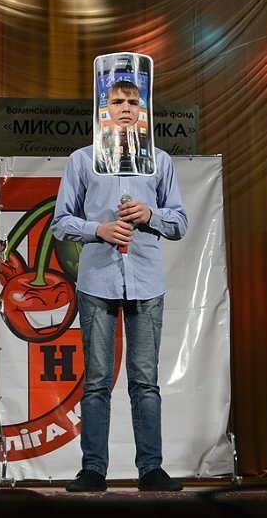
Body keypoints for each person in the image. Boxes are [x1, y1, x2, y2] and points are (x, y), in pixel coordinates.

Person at [51, 79, 188, 492]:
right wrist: (99, 230)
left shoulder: (160, 160)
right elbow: (61, 222)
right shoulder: (81, 160)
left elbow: (179, 223)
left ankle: (151, 469)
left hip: (146, 282)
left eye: (132, 101)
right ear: (103, 108)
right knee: (96, 381)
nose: (125, 107)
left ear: (143, 109)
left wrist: (150, 214)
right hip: (97, 282)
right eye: (117, 101)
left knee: (145, 382)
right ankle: (93, 469)